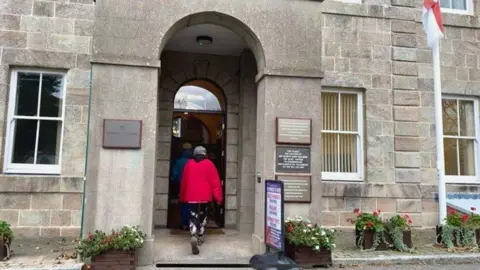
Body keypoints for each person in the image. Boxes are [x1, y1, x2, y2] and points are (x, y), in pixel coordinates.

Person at [179, 146, 223, 255]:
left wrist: (182, 197)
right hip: (205, 197)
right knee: (203, 216)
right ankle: (200, 237)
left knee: (193, 216)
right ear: (205, 154)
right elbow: (215, 183)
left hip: (191, 196)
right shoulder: (209, 164)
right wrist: (218, 198)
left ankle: (193, 233)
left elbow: (184, 181)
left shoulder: (188, 164)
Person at [171, 142, 193, 230]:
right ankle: (193, 224)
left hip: (182, 187)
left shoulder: (178, 161)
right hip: (193, 187)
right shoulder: (194, 162)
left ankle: (185, 224)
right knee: (193, 206)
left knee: (184, 205)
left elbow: (174, 175)